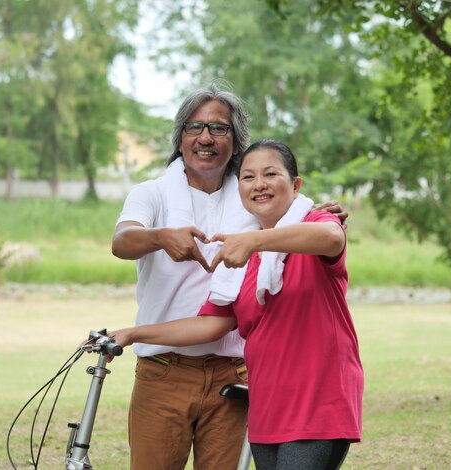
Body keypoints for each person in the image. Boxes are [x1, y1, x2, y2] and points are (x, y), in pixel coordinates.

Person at [111, 82, 349, 470]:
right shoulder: (154, 194)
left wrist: (307, 217)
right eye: (194, 127)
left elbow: (306, 225)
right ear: (180, 137)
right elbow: (122, 243)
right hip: (166, 368)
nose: (205, 137)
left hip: (237, 373)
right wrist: (159, 237)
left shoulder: (256, 211)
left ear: (234, 142)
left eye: (218, 128)